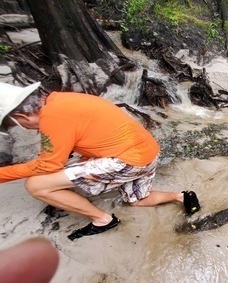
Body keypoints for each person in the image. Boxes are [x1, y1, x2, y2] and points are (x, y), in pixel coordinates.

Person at [0, 82, 200, 240]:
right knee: (137, 200)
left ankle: (102, 220)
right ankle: (181, 197)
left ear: (20, 117)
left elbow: (48, 165)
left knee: (36, 185)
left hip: (127, 161)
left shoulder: (52, 117)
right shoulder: (62, 99)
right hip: (148, 153)